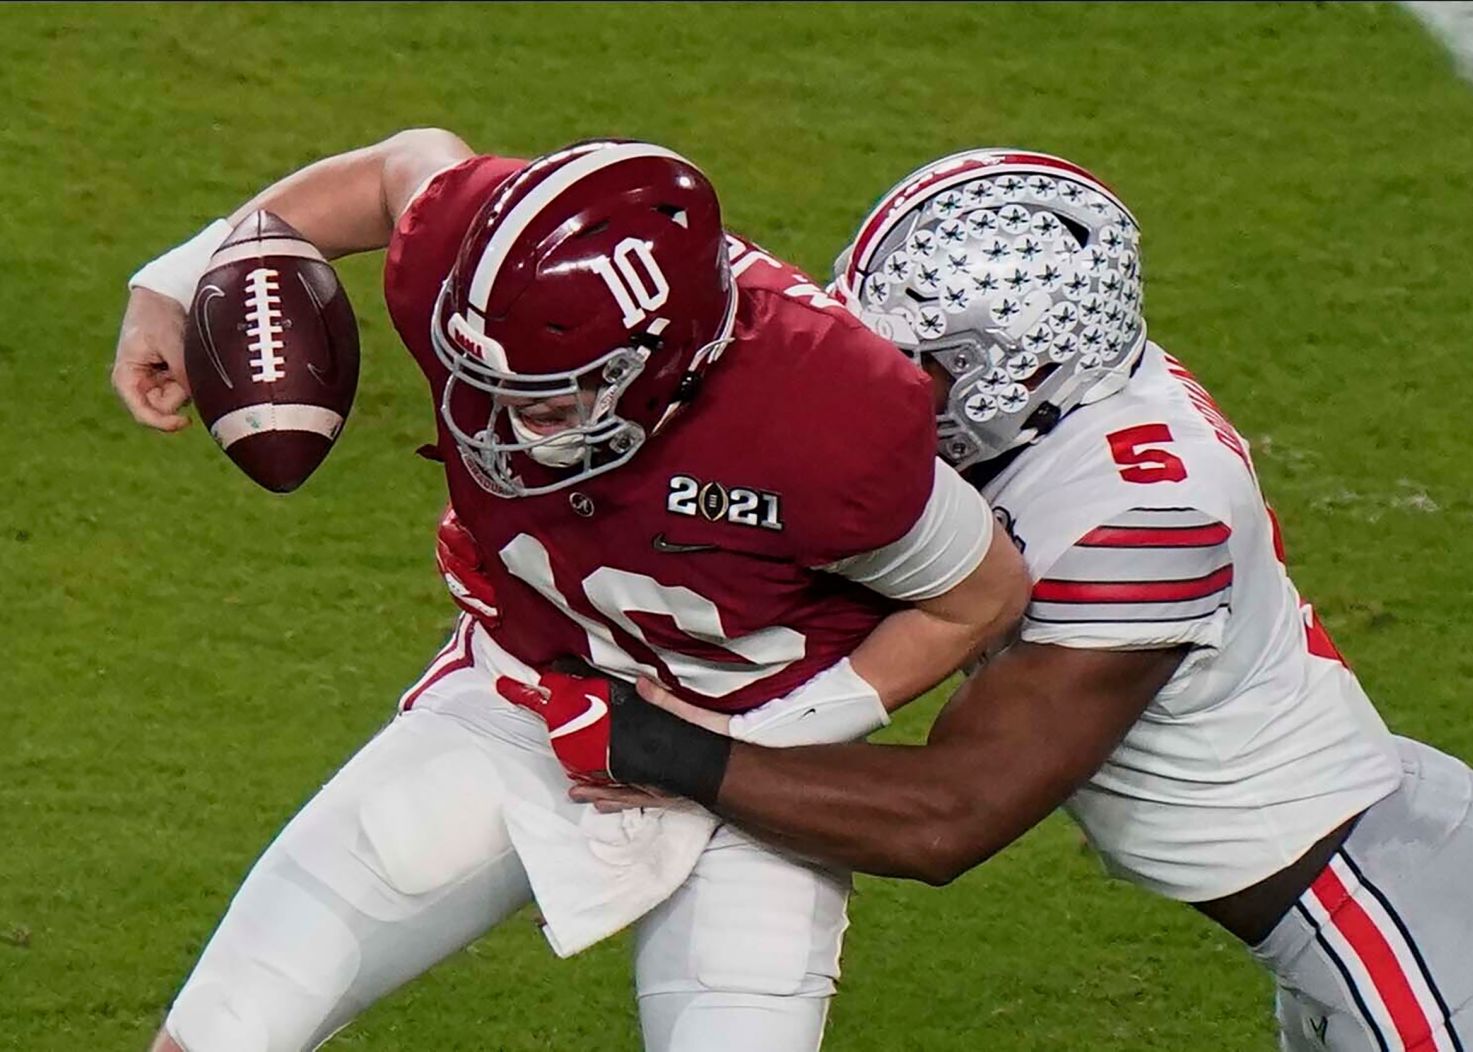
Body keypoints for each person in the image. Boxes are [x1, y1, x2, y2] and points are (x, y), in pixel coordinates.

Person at [548, 149, 1473, 1052]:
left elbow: (948, 817)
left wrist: (663, 749)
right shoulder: (1067, 401)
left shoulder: (1144, 519)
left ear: (1017, 367)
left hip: (1390, 904)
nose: (881, 379)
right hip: (1354, 883)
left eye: (923, 360)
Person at [110, 129, 1029, 1052]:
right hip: (525, 692)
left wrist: (729, 751)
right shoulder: (469, 249)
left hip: (753, 750)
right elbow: (400, 171)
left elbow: (978, 597)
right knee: (215, 1035)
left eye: (547, 401)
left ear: (663, 369)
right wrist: (182, 278)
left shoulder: (831, 416)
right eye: (484, 381)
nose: (496, 422)